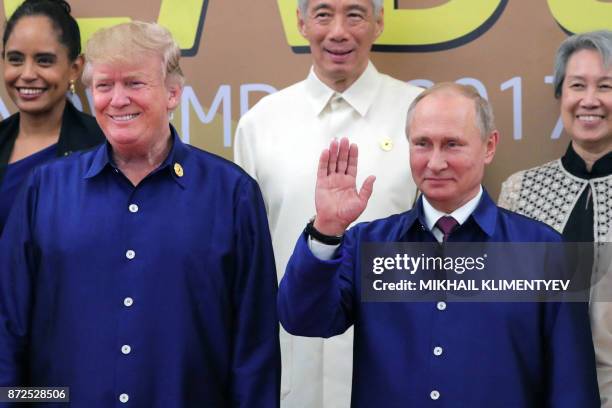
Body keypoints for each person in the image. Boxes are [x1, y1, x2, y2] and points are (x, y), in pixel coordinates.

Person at [0, 21, 280, 407]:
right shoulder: (42, 190)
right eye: (104, 86)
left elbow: (254, 346)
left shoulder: (232, 194)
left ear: (173, 93)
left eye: (134, 83)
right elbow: (7, 328)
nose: (117, 100)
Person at [278, 83, 600, 406]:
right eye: (422, 144)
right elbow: (302, 318)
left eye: (452, 145)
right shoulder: (368, 245)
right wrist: (326, 230)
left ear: (489, 146)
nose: (435, 162)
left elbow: (572, 388)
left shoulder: (544, 251)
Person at [233, 0, 421, 405]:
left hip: (395, 363)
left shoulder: (418, 115)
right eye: (322, 14)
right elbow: (248, 263)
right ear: (301, 23)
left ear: (379, 22)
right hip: (287, 366)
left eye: (354, 14)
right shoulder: (261, 124)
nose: (338, 31)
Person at [498, 30, 612, 406]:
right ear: (561, 95)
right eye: (577, 85)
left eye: (606, 86)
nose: (590, 100)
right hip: (539, 392)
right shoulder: (520, 191)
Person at [0, 0, 104, 234]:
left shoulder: (102, 148)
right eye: (15, 59)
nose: (27, 74)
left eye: (44, 60)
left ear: (75, 68)